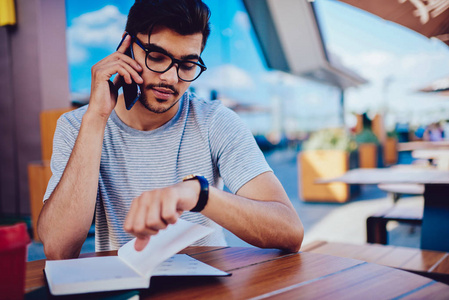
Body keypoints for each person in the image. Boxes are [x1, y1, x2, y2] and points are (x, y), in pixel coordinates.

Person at [37, 0, 304, 260]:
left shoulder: (214, 121)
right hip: (125, 287)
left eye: (188, 65)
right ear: (126, 47)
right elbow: (58, 249)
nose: (171, 78)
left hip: (208, 289)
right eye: (156, 57)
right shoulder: (77, 127)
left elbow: (290, 232)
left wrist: (200, 195)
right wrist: (96, 118)